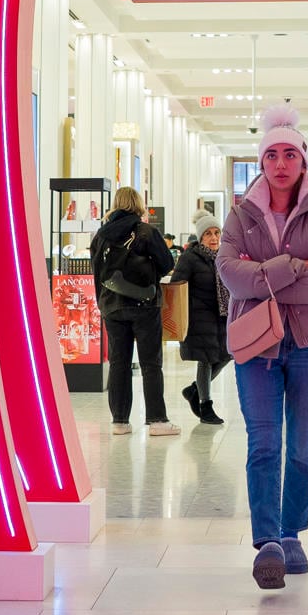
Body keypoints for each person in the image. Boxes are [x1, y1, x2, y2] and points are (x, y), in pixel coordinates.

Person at [219, 104, 308, 590]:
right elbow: (229, 273)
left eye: (289, 154)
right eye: (271, 154)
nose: (280, 163)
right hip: (256, 345)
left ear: (303, 160)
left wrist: (262, 277)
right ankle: (268, 541)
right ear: (261, 161)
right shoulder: (240, 213)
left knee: (303, 449)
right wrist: (292, 266)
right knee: (264, 444)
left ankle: (292, 532)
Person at [92, 186, 177, 436]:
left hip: (112, 306)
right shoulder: (146, 232)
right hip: (145, 304)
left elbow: (97, 272)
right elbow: (167, 264)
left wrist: (102, 303)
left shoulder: (101, 235)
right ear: (138, 204)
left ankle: (120, 421)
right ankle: (157, 420)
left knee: (119, 362)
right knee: (151, 362)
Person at [171, 209, 231, 425]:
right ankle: (206, 406)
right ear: (200, 236)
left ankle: (194, 390)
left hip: (222, 315)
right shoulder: (190, 258)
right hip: (199, 318)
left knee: (227, 355)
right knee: (206, 360)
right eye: (208, 234)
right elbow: (176, 286)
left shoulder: (224, 256)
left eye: (216, 233)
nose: (214, 238)